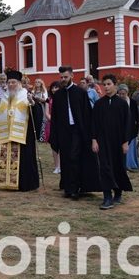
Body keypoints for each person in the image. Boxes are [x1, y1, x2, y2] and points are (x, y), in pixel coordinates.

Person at [50, 66, 100, 199]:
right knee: (66, 158)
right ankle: (68, 187)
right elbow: (54, 116)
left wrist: (91, 133)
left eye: (65, 77)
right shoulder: (58, 95)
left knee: (74, 157)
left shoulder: (80, 92)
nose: (63, 79)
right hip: (64, 131)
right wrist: (54, 134)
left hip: (78, 130)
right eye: (61, 77)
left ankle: (76, 188)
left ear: (72, 76)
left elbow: (87, 114)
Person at [0, 70, 40, 191]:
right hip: (6, 135)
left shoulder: (26, 95)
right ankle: (7, 183)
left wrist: (33, 104)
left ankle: (25, 183)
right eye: (9, 82)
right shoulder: (4, 98)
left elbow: (35, 114)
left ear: (19, 83)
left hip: (23, 135)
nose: (11, 84)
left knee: (24, 160)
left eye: (13, 82)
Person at [92, 75, 133, 209]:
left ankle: (118, 192)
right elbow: (94, 124)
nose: (106, 87)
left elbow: (128, 124)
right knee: (104, 167)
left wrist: (125, 141)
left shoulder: (122, 104)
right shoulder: (99, 104)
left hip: (118, 142)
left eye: (109, 84)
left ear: (115, 85)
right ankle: (107, 196)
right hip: (103, 141)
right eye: (104, 84)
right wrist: (94, 140)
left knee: (118, 167)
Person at [118, 84, 139, 172]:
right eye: (120, 94)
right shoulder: (117, 102)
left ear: (127, 93)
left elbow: (136, 116)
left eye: (123, 94)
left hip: (131, 127)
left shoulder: (133, 102)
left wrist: (137, 127)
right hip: (120, 128)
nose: (122, 95)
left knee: (130, 147)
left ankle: (130, 164)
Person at [47, 81, 61, 174]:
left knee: (62, 146)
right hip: (52, 125)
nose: (54, 89)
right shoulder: (49, 99)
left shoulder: (63, 99)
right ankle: (56, 166)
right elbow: (46, 113)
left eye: (56, 87)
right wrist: (54, 120)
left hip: (62, 125)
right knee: (54, 146)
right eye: (53, 87)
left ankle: (62, 165)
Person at [32, 78, 48, 143]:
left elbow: (46, 100)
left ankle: (41, 137)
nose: (37, 83)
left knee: (42, 121)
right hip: (35, 108)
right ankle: (35, 136)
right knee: (35, 121)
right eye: (36, 82)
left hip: (41, 107)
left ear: (41, 83)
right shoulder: (33, 91)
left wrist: (37, 98)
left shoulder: (43, 91)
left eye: (38, 82)